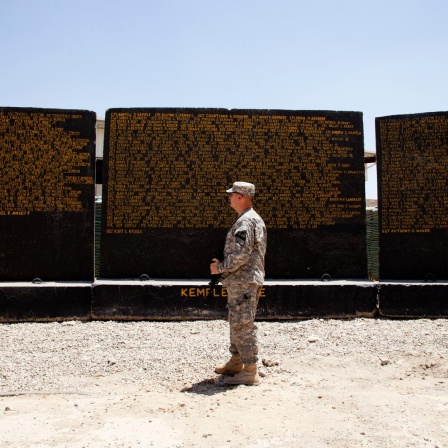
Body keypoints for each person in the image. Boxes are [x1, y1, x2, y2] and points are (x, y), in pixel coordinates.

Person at [210, 181, 267, 385]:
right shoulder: (249, 219)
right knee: (236, 320)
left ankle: (250, 369)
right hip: (242, 281)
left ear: (241, 197)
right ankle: (236, 361)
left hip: (244, 281)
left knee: (243, 323)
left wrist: (220, 268)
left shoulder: (246, 222)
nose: (229, 197)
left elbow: (241, 255)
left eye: (232, 194)